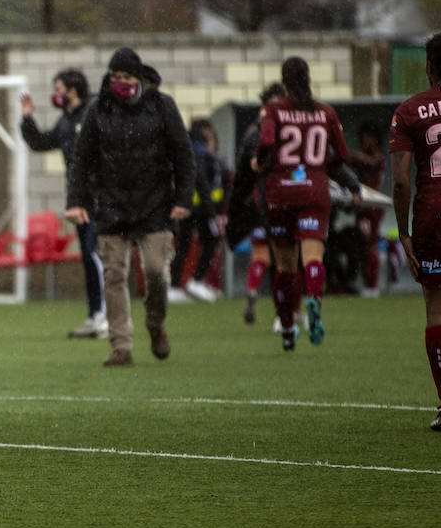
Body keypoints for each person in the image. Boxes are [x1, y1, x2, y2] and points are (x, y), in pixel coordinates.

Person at [66, 47, 194, 367]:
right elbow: (82, 159)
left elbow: (183, 155)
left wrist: (184, 200)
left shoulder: (162, 107)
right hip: (111, 204)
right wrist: (77, 201)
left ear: (139, 79)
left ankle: (155, 323)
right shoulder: (99, 110)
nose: (120, 83)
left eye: (126, 77)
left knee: (155, 272)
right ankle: (120, 345)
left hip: (155, 204)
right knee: (114, 276)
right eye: (115, 77)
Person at [255, 57, 360, 351]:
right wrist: (318, 165)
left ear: (284, 82)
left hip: (282, 193)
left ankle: (287, 327)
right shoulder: (325, 112)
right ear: (309, 78)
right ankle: (314, 298)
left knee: (285, 268)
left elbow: (264, 142)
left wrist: (261, 161)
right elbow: (341, 152)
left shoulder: (274, 110)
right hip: (314, 193)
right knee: (312, 258)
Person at [389, 30, 441, 431]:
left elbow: (399, 181)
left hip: (433, 217)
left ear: (428, 66)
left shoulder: (410, 111)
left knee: (438, 311)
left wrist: (404, 233)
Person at [20, 68, 106, 339]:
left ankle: (105, 315)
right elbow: (41, 142)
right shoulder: (66, 121)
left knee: (96, 257)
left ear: (71, 90)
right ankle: (95, 316)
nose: (55, 95)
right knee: (88, 258)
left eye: (58, 89)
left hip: (99, 200)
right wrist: (27, 118)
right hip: (78, 200)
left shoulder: (94, 113)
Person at [226, 83, 288, 326]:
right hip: (278, 202)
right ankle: (284, 313)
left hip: (257, 205)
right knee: (286, 259)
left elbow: (244, 173)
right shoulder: (274, 133)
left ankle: (254, 291)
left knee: (262, 255)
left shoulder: (253, 132)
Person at [169, 118, 229, 303]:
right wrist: (211, 208)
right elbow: (206, 181)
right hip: (203, 208)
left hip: (185, 207)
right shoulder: (204, 155)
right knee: (212, 240)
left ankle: (175, 286)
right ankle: (195, 281)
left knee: (183, 245)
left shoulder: (184, 152)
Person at [348, 123, 387, 298]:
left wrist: (350, 153)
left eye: (366, 137)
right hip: (363, 206)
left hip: (372, 207)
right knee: (364, 246)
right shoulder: (365, 158)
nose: (363, 141)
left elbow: (370, 162)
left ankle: (372, 287)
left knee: (370, 246)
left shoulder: (377, 155)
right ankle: (367, 284)